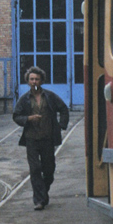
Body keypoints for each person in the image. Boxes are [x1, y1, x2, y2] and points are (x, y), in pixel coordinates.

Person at [13, 66, 70, 211]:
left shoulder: (49, 96)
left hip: (48, 138)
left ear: (42, 81)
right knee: (35, 169)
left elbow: (63, 108)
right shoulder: (24, 99)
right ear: (28, 81)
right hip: (31, 139)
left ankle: (43, 191)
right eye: (31, 79)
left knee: (49, 169)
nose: (34, 82)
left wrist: (61, 125)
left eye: (37, 79)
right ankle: (39, 200)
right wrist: (28, 118)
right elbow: (16, 116)